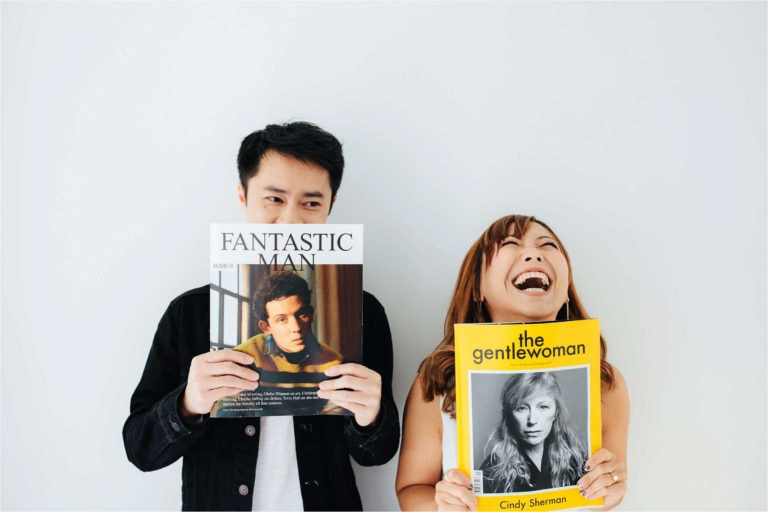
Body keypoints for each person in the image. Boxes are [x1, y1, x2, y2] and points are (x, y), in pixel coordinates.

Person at [123, 121, 400, 511]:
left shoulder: (364, 312)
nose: (290, 221)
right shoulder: (189, 314)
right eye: (273, 199)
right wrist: (186, 404)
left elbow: (377, 455)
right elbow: (140, 449)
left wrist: (371, 419)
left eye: (311, 202)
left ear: (331, 206)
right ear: (243, 196)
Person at [395, 214, 629, 511]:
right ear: (478, 287)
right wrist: (442, 506)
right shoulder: (440, 381)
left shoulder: (605, 382)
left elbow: (604, 498)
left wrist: (612, 485)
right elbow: (410, 491)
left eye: (548, 245)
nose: (534, 253)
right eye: (510, 243)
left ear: (566, 287)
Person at [210, 271, 345, 417]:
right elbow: (229, 411)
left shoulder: (333, 361)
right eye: (282, 319)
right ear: (266, 327)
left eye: (301, 314)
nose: (296, 328)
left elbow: (335, 418)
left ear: (311, 314)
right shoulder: (243, 357)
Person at [479, 371, 587, 493]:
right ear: (509, 415)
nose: (532, 420)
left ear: (556, 412)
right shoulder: (491, 472)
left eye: (543, 407)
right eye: (521, 408)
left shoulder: (573, 458)